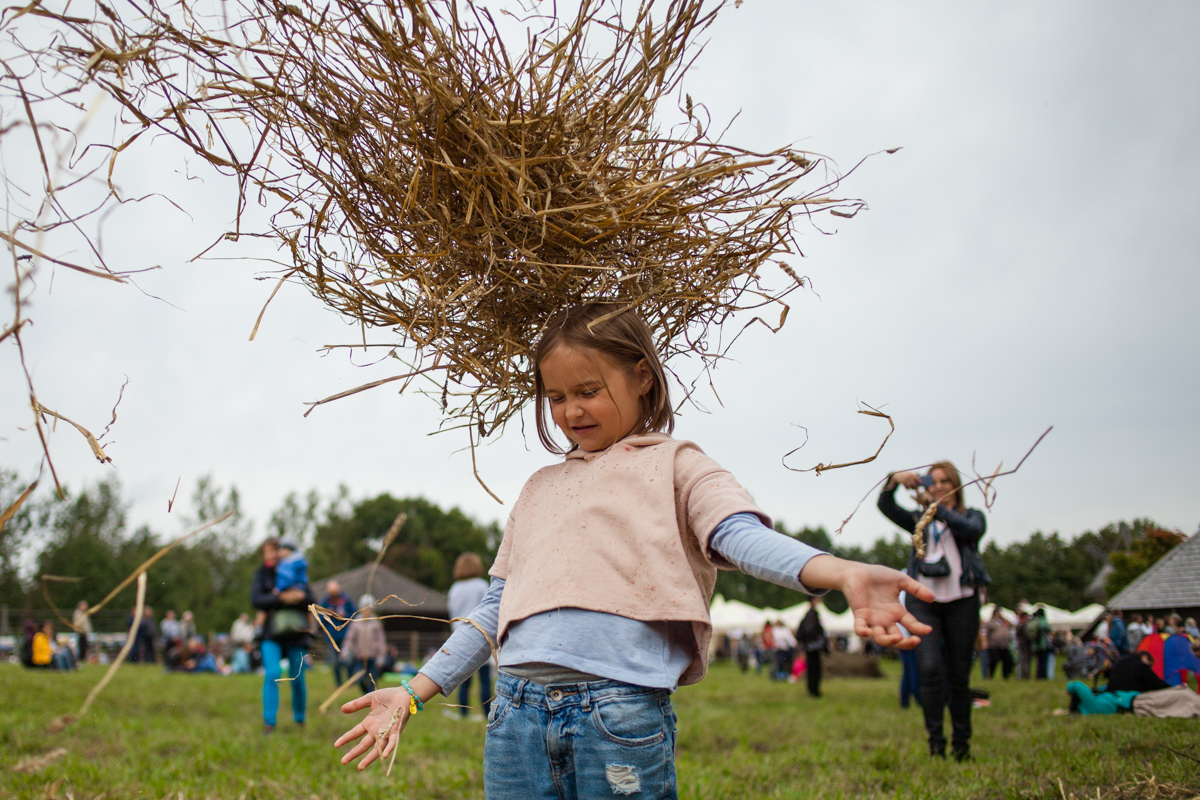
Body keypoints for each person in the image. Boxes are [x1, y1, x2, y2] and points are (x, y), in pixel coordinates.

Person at [333, 303, 935, 792]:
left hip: (616, 715)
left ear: (642, 376)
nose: (571, 410)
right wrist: (414, 692)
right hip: (513, 715)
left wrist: (838, 572)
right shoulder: (540, 488)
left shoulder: (676, 464)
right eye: (556, 396)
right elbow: (495, 608)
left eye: (589, 390)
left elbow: (738, 535)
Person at [878, 461, 989, 761]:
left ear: (955, 484)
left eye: (945, 481)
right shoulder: (918, 519)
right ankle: (936, 744)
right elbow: (886, 506)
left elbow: (970, 532)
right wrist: (893, 480)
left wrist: (935, 507)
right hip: (923, 602)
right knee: (928, 671)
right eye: (933, 481)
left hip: (962, 602)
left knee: (959, 676)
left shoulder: (971, 516)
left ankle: (962, 746)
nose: (939, 486)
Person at [252, 537, 314, 734]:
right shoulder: (262, 575)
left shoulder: (296, 572)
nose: (271, 555)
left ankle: (300, 719)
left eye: (274, 551)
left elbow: (312, 600)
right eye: (266, 552)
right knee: (272, 674)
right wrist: (279, 597)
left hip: (296, 634)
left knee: (298, 678)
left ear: (282, 552)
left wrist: (299, 597)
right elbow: (256, 600)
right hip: (271, 634)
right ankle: (269, 722)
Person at [447, 552, 492, 720]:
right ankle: (487, 712)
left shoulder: (455, 588)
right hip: (480, 634)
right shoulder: (482, 586)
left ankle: (463, 712)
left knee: (464, 679)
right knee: (485, 679)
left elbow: (452, 613)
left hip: (460, 635)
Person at [345, 595, 387, 695]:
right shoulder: (356, 623)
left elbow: (381, 640)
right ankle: (365, 693)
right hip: (359, 656)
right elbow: (350, 639)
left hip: (372, 656)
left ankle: (372, 696)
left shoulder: (376, 623)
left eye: (369, 609)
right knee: (359, 678)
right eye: (364, 608)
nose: (366, 611)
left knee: (372, 678)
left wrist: (381, 656)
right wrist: (346, 649)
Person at [319, 581, 357, 686]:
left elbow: (354, 614)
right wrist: (328, 614)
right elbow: (320, 618)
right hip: (331, 636)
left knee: (348, 660)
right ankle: (338, 683)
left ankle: (350, 682)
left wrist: (345, 615)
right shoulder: (325, 602)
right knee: (335, 662)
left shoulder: (347, 600)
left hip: (346, 636)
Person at [797, 597, 828, 699]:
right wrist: (817, 641)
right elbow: (809, 631)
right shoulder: (812, 615)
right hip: (813, 647)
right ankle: (814, 690)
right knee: (814, 669)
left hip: (810, 646)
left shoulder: (810, 614)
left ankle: (813, 690)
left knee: (812, 669)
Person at [982, 607, 1013, 679]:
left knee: (1008, 661)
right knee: (993, 661)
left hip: (1004, 645)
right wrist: (984, 642)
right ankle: (990, 675)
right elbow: (984, 632)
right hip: (994, 645)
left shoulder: (1003, 622)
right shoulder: (990, 622)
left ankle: (1006, 676)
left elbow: (1011, 625)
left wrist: (1004, 618)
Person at [73, 600, 93, 664]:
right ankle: (81, 658)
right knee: (81, 646)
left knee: (85, 646)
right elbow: (78, 623)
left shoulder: (85, 613)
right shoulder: (78, 613)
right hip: (81, 633)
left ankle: (84, 658)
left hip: (85, 633)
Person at [1015, 610, 1032, 680]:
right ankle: (1023, 676)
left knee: (1024, 661)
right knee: (1023, 662)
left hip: (1023, 645)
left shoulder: (1019, 625)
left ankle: (1024, 676)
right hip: (1024, 645)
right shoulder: (1023, 625)